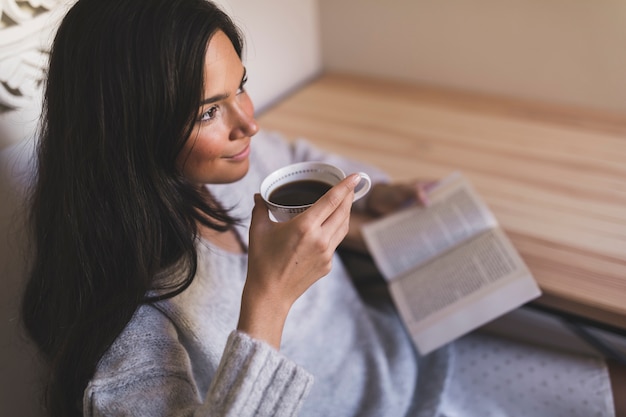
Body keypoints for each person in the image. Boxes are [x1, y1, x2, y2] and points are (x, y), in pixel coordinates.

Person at [20, 0, 624, 416]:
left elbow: (307, 156)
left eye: (241, 87)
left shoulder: (237, 164)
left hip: (412, 366)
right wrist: (270, 300)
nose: (249, 123)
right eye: (209, 112)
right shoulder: (127, 324)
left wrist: (374, 192)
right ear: (127, 130)